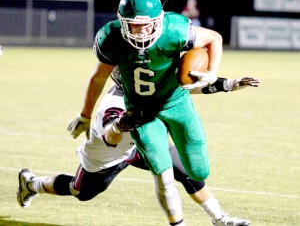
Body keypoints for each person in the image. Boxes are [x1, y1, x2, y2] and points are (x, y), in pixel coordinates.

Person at [61, 0, 249, 225]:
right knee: (161, 176)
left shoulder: (172, 31)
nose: (142, 31)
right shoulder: (114, 74)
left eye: (147, 24)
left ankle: (219, 218)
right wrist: (92, 116)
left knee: (196, 172)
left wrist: (219, 77)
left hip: (159, 115)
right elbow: (107, 119)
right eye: (135, 24)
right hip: (123, 142)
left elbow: (192, 80)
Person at [17, 67, 259, 226]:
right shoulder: (114, 103)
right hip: (109, 155)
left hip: (141, 144)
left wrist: (229, 84)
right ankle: (31, 184)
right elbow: (109, 139)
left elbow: (186, 87)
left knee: (186, 170)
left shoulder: (144, 90)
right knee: (80, 191)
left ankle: (220, 219)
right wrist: (121, 126)